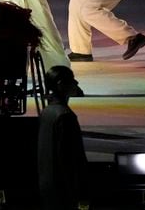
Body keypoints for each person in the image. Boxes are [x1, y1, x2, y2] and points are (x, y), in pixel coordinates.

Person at [37, 65, 89, 210]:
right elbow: (70, 157)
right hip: (63, 189)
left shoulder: (46, 112)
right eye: (72, 80)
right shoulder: (65, 116)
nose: (76, 83)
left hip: (47, 185)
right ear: (61, 85)